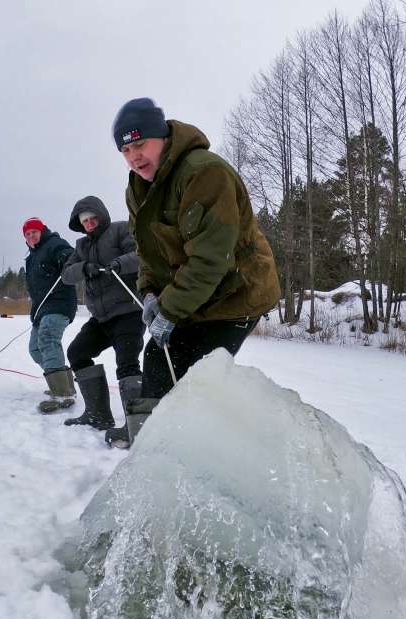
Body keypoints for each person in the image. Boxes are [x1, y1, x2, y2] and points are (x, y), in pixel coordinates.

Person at [111, 98, 281, 441]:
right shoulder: (138, 187)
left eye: (140, 144)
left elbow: (210, 258)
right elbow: (146, 250)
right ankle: (149, 445)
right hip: (196, 294)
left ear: (164, 137)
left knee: (197, 377)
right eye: (125, 150)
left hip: (236, 294)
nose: (134, 157)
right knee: (159, 355)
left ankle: (206, 453)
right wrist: (148, 293)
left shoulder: (204, 172)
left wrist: (170, 310)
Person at [61, 196, 144, 447]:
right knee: (77, 353)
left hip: (128, 312)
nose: (89, 223)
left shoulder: (120, 229)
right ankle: (98, 415)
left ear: (101, 215)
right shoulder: (81, 246)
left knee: (127, 363)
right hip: (101, 318)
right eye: (84, 221)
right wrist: (84, 267)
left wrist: (119, 263)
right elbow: (66, 274)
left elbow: (141, 255)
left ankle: (136, 428)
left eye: (92, 218)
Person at [22, 217, 78, 413]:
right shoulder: (31, 259)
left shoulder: (54, 243)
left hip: (59, 304)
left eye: (34, 232)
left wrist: (66, 259)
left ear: (42, 231)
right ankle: (65, 385)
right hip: (41, 309)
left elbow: (69, 254)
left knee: (47, 340)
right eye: (27, 234)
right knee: (35, 349)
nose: (31, 236)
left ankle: (62, 394)